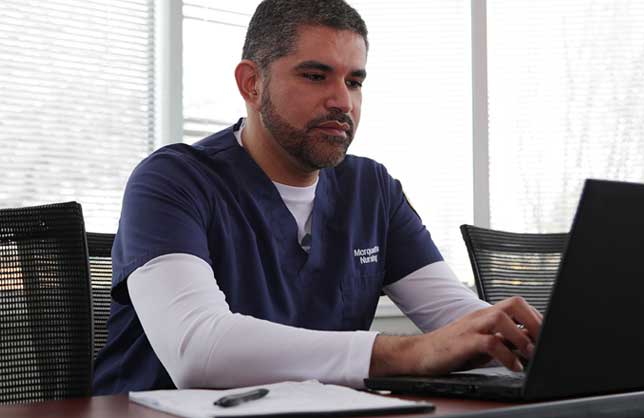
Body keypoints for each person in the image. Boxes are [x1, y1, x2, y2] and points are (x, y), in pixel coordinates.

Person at [93, 0, 542, 395]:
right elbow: (198, 349)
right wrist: (405, 354)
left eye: (355, 81)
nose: (342, 102)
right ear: (252, 83)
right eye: (315, 75)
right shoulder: (172, 180)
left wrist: (527, 340)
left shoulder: (373, 190)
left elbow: (456, 319)